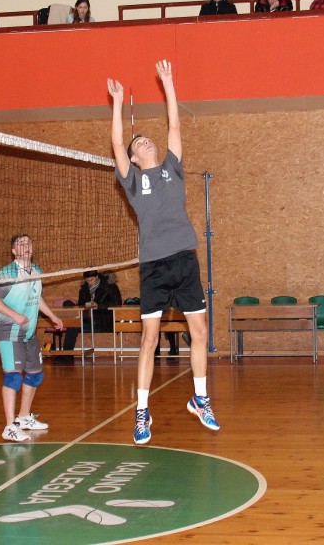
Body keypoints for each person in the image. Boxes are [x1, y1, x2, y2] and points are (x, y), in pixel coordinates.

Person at [107, 60, 219, 446]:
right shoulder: (132, 180)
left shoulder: (173, 167)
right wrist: (117, 103)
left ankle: (200, 398)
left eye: (146, 140)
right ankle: (142, 410)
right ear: (133, 158)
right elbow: (116, 144)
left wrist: (169, 84)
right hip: (154, 266)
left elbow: (174, 127)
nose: (145, 143)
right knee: (149, 340)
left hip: (184, 260)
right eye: (138, 144)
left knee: (200, 332)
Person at [0, 233, 62, 442]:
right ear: (13, 251)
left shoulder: (36, 271)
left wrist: (52, 316)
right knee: (13, 376)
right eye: (21, 244)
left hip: (27, 332)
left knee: (35, 374)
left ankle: (24, 417)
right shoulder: (7, 273)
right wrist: (14, 315)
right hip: (8, 329)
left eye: (28, 243)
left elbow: (37, 298)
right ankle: (10, 426)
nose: (26, 246)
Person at [61, 270, 122, 357]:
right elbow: (81, 306)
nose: (90, 282)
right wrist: (87, 306)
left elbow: (117, 303)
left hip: (104, 320)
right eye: (87, 280)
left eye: (92, 279)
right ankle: (66, 355)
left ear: (97, 277)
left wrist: (99, 306)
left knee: (74, 324)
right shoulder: (83, 290)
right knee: (73, 323)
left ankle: (66, 356)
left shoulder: (110, 286)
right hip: (88, 318)